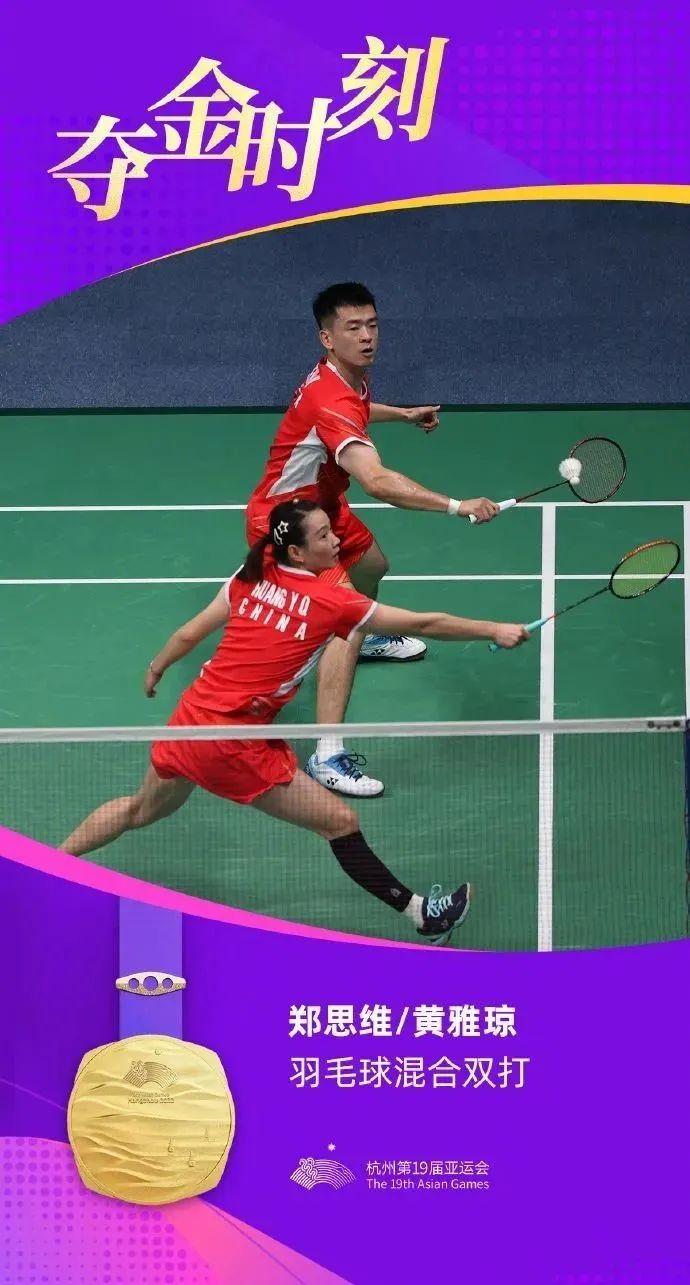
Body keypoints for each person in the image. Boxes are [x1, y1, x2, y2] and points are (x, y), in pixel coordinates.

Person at [61, 500, 527, 946]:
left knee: (138, 810)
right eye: (323, 536)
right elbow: (425, 624)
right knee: (339, 821)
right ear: (298, 553)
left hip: (190, 723)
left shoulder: (252, 574)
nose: (336, 540)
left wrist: (157, 668)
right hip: (234, 745)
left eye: (331, 530)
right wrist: (493, 629)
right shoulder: (333, 601)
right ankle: (423, 915)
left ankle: (49, 867)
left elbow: (188, 633)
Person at [245, 281, 499, 799]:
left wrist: (401, 414)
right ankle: (327, 752)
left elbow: (357, 409)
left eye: (372, 325)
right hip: (288, 522)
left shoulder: (345, 376)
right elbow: (378, 482)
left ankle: (357, 640)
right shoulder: (330, 397)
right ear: (327, 337)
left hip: (323, 506)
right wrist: (458, 505)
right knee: (348, 618)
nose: (367, 337)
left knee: (373, 565)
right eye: (353, 328)